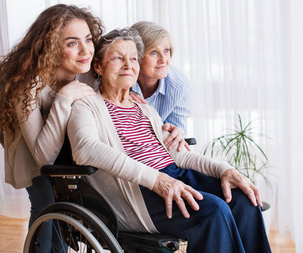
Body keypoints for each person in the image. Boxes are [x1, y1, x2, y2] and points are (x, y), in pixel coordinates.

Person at [68, 28, 272, 253]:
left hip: (173, 175)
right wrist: (156, 180)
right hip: (141, 191)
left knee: (242, 198)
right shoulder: (86, 105)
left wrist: (225, 169)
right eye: (118, 58)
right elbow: (84, 149)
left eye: (133, 58)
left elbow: (178, 154)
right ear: (98, 66)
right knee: (213, 211)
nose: (128, 65)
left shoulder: (143, 108)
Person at [0, 4, 104, 251]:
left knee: (64, 210)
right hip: (32, 152)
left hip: (66, 149)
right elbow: (43, 157)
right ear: (49, 46)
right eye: (72, 43)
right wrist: (64, 97)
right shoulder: (27, 86)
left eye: (88, 39)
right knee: (46, 205)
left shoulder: (88, 71)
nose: (85, 50)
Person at [130, 21, 191, 136]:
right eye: (153, 52)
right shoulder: (118, 78)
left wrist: (177, 133)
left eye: (166, 50)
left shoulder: (180, 86)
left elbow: (178, 134)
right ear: (135, 57)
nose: (163, 59)